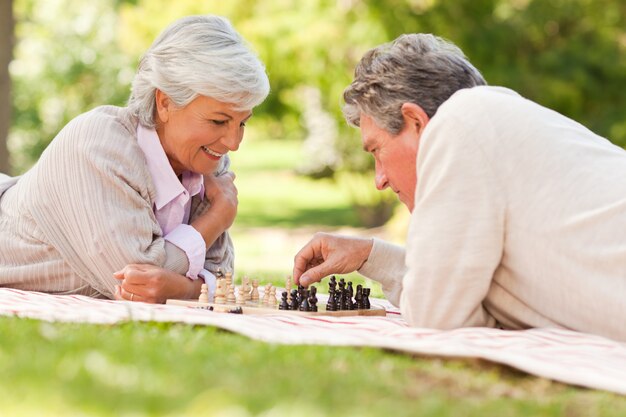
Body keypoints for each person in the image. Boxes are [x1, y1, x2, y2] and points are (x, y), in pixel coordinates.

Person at [293, 34, 626, 342]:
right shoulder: (493, 123)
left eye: (377, 150)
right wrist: (371, 255)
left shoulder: (460, 121)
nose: (379, 179)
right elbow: (460, 288)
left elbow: (436, 318)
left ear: (416, 121)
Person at [0, 15, 269, 303]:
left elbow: (219, 275)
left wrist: (183, 287)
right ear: (164, 103)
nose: (233, 143)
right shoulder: (99, 145)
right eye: (218, 121)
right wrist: (215, 219)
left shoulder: (206, 160)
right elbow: (136, 280)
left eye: (242, 123)